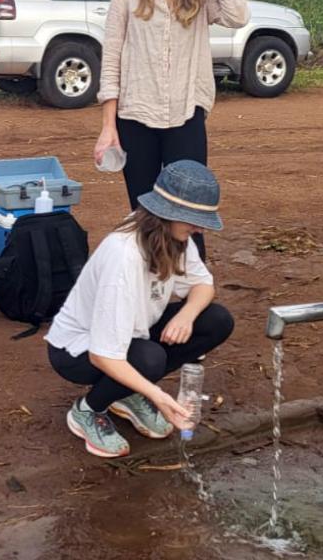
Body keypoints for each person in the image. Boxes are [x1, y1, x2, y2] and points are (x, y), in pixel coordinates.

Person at [45, 160, 235, 458]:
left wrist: (186, 315)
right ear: (168, 214)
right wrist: (158, 395)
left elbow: (203, 287)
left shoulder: (173, 237)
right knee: (150, 359)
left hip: (130, 336)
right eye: (193, 219)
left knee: (216, 320)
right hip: (77, 350)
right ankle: (87, 410)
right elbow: (103, 354)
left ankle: (126, 393)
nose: (198, 228)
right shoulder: (124, 257)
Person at [94, 0, 250, 259]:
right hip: (135, 114)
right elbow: (112, 59)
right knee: (144, 209)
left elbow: (238, 15)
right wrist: (108, 127)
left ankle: (191, 285)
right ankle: (148, 285)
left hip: (186, 113)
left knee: (190, 208)